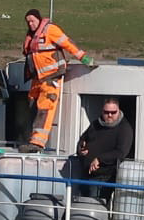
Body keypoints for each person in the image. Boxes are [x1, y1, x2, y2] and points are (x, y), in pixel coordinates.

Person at [20, 8, 92, 152]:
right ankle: (30, 138)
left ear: (39, 19)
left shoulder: (50, 30)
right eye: (28, 22)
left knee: (45, 108)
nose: (30, 24)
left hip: (51, 77)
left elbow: (67, 43)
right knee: (32, 105)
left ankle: (37, 143)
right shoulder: (31, 36)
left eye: (32, 21)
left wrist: (83, 57)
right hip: (37, 78)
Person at [76, 99, 133, 193]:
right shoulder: (96, 124)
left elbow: (121, 152)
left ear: (118, 111)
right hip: (85, 175)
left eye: (113, 112)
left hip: (103, 179)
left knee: (94, 202)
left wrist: (99, 159)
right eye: (106, 112)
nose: (109, 115)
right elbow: (83, 138)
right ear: (102, 111)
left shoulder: (124, 128)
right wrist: (80, 148)